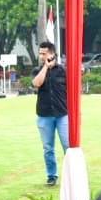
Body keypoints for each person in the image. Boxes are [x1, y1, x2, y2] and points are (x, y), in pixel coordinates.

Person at [31, 41, 68, 187]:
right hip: (44, 115)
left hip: (62, 114)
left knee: (68, 146)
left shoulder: (62, 71)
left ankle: (70, 175)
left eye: (44, 53)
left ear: (52, 54)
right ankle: (51, 176)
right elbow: (36, 83)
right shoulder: (38, 70)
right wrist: (45, 67)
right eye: (40, 53)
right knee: (48, 148)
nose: (41, 56)